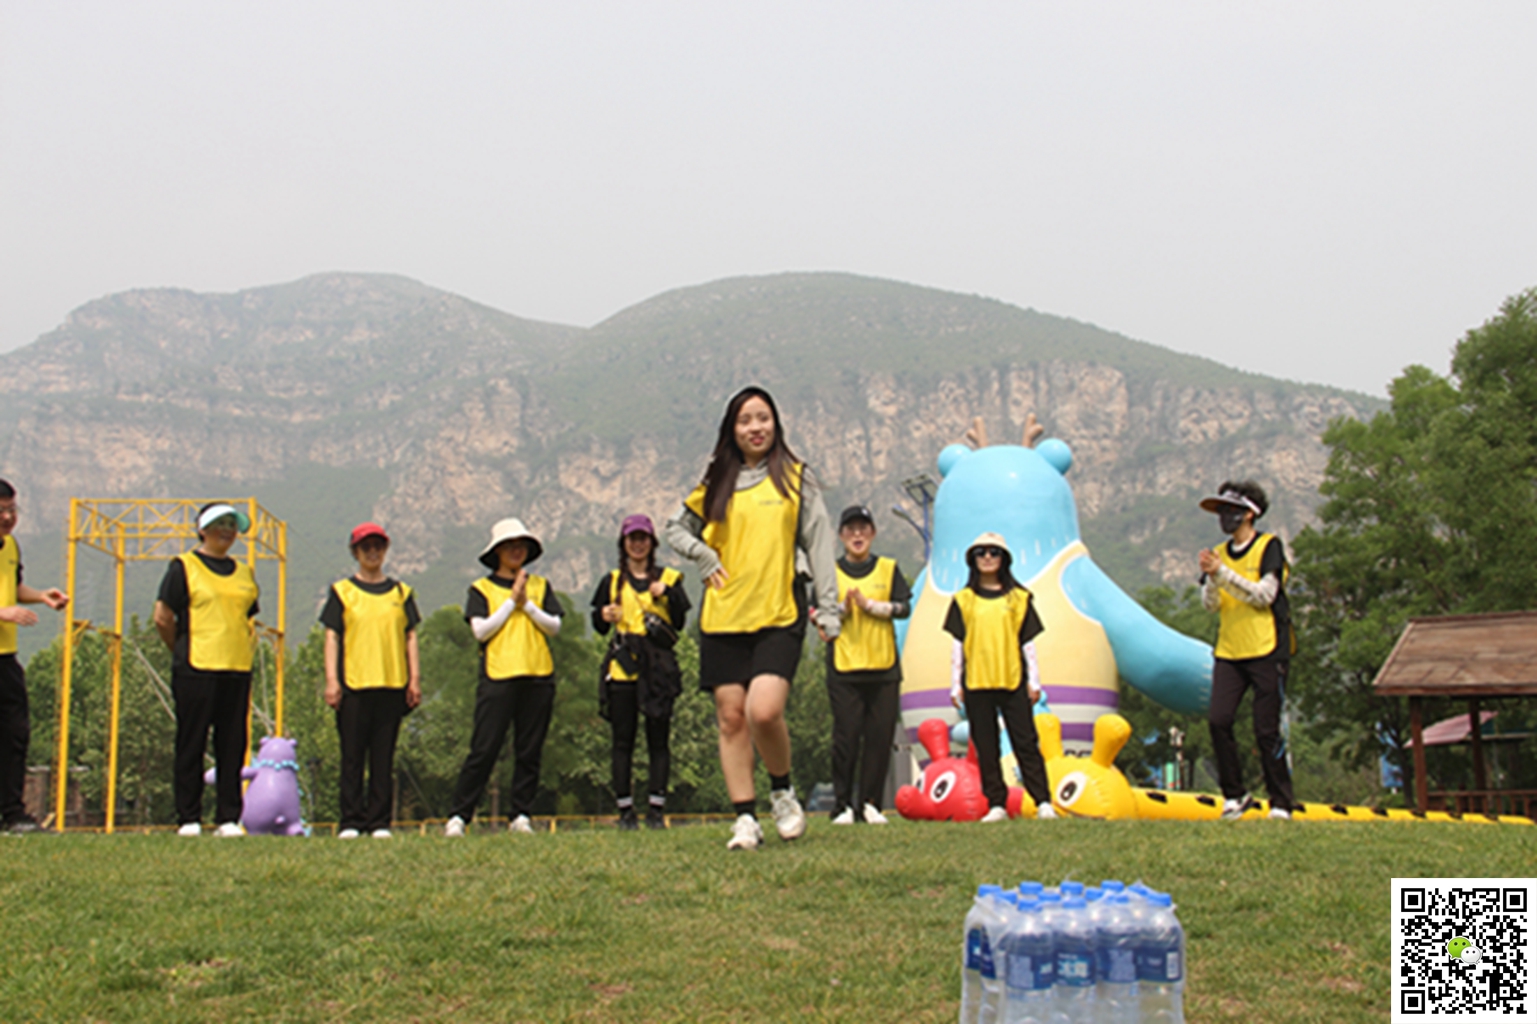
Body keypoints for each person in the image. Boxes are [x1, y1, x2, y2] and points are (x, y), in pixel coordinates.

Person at [664, 385, 842, 851]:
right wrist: (702, 554)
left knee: (763, 710)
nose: (755, 428)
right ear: (732, 430)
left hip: (779, 611)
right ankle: (745, 818)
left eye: (762, 418)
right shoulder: (715, 483)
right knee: (730, 718)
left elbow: (820, 544)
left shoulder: (794, 478)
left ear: (775, 424)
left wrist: (828, 608)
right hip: (723, 614)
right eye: (745, 420)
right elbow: (674, 529)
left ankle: (782, 791)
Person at [444, 518, 563, 837]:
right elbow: (480, 631)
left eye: (520, 545)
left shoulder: (540, 585)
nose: (515, 550)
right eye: (509, 546)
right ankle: (460, 814)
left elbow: (555, 626)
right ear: (496, 551)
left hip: (538, 674)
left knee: (530, 749)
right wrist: (512, 601)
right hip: (498, 676)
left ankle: (521, 813)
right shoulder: (481, 589)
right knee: (484, 748)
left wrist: (528, 604)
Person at [153, 502, 260, 837]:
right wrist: (181, 650)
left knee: (232, 744)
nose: (226, 530)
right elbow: (163, 616)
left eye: (232, 524)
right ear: (202, 529)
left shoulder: (244, 572)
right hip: (196, 668)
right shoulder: (183, 567)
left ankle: (229, 817)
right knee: (192, 741)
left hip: (236, 668)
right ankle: (189, 817)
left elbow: (248, 617)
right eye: (218, 523)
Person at [1198, 480, 1296, 821]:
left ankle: (1281, 802)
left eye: (1232, 510)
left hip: (1266, 648)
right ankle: (1234, 794)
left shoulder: (1269, 546)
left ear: (1250, 514)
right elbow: (1210, 605)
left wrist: (1222, 573)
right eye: (1222, 511)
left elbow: (1265, 595)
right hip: (1229, 650)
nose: (1225, 517)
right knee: (1219, 720)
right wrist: (1211, 577)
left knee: (1266, 729)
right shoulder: (1218, 553)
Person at [320, 522, 422, 839]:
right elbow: (332, 636)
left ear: (386, 549)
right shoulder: (342, 592)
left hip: (392, 683)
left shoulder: (401, 592)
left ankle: (379, 822)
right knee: (352, 757)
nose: (373, 552)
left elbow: (411, 636)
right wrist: (331, 680)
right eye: (366, 547)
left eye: (378, 546)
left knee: (383, 757)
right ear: (355, 552)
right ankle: (351, 820)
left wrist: (414, 679)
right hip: (353, 685)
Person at [944, 532, 1054, 823]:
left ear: (1004, 559)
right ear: (972, 560)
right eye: (981, 552)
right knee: (986, 745)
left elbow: (1027, 643)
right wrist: (956, 685)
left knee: (1025, 742)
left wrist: (1035, 682)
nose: (988, 557)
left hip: (1012, 679)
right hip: (977, 682)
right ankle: (997, 804)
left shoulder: (1019, 598)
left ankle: (1042, 801)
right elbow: (958, 645)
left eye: (994, 552)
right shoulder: (963, 600)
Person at [589, 514, 690, 830]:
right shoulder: (612, 581)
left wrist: (667, 594)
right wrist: (604, 615)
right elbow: (598, 624)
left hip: (658, 668)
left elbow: (681, 621)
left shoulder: (670, 578)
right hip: (623, 668)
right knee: (623, 741)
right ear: (624, 543)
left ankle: (656, 811)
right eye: (632, 538)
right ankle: (626, 813)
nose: (638, 544)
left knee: (658, 741)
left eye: (643, 538)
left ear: (652, 542)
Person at [816, 504, 910, 825]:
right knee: (846, 737)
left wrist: (870, 606)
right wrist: (843, 608)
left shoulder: (888, 568)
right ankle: (841, 805)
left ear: (872, 534)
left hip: (883, 666)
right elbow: (816, 612)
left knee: (880, 737)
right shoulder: (829, 570)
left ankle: (870, 803)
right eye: (851, 529)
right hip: (845, 665)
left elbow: (903, 607)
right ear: (841, 535)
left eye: (863, 529)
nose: (857, 535)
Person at [0, 479, 69, 835]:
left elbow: (11, 589)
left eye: (12, 510)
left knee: (14, 733)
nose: (9, 517)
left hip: (5, 657)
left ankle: (12, 814)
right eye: (2, 511)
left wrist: (41, 596)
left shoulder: (10, 545)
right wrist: (3, 613)